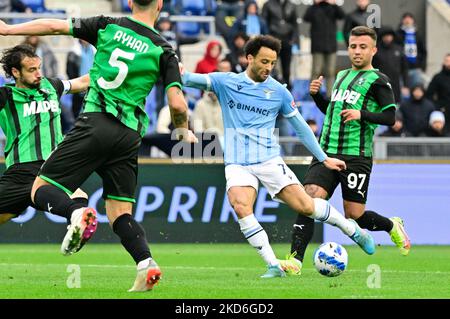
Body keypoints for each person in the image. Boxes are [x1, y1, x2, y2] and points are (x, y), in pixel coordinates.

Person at [0, 0, 197, 292]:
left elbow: (55, 26)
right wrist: (182, 131)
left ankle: (76, 214)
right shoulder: (165, 50)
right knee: (120, 212)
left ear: (130, 2)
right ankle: (146, 264)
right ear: (160, 5)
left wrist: (8, 29)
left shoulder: (108, 26)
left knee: (41, 187)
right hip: (130, 136)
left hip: (97, 123)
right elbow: (178, 104)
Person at [182, 35, 375, 278]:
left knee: (306, 206)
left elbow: (301, 127)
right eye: (264, 61)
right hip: (237, 163)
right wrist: (173, 67)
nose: (268, 68)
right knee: (240, 206)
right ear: (249, 58)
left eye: (272, 63)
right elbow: (188, 79)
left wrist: (324, 158)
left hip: (269, 161)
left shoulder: (278, 91)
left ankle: (352, 230)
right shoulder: (226, 82)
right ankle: (273, 264)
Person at [283, 26, 411, 275]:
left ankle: (391, 225)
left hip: (357, 156)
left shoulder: (379, 81)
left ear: (373, 50)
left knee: (355, 215)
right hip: (326, 152)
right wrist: (319, 97)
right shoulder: (341, 75)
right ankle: (295, 261)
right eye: (353, 46)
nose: (357, 51)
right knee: (309, 200)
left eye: (363, 47)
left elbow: (390, 117)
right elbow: (333, 111)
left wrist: (361, 114)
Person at [0, 44, 90, 226]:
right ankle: (77, 221)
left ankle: (76, 220)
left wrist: (108, 68)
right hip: (20, 171)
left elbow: (81, 82)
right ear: (16, 72)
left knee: (78, 196)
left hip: (51, 165)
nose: (38, 74)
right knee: (79, 196)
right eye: (32, 70)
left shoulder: (52, 86)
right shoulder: (5, 95)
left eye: (39, 68)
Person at [426, 53, 450, 131]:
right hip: (443, 112)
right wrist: (438, 107)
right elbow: (429, 94)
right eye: (447, 61)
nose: (449, 63)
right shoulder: (438, 77)